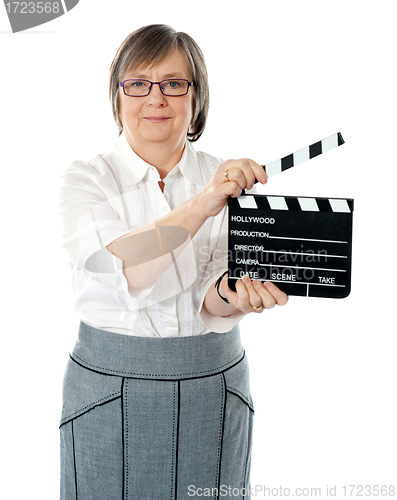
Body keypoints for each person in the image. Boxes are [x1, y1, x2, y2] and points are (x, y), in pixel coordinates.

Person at [58, 24, 288, 500]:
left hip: (214, 385)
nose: (155, 97)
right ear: (118, 95)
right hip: (109, 389)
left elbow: (214, 294)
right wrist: (204, 204)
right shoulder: (85, 180)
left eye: (174, 83)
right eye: (138, 83)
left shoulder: (223, 178)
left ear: (195, 97)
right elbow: (123, 264)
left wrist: (234, 295)